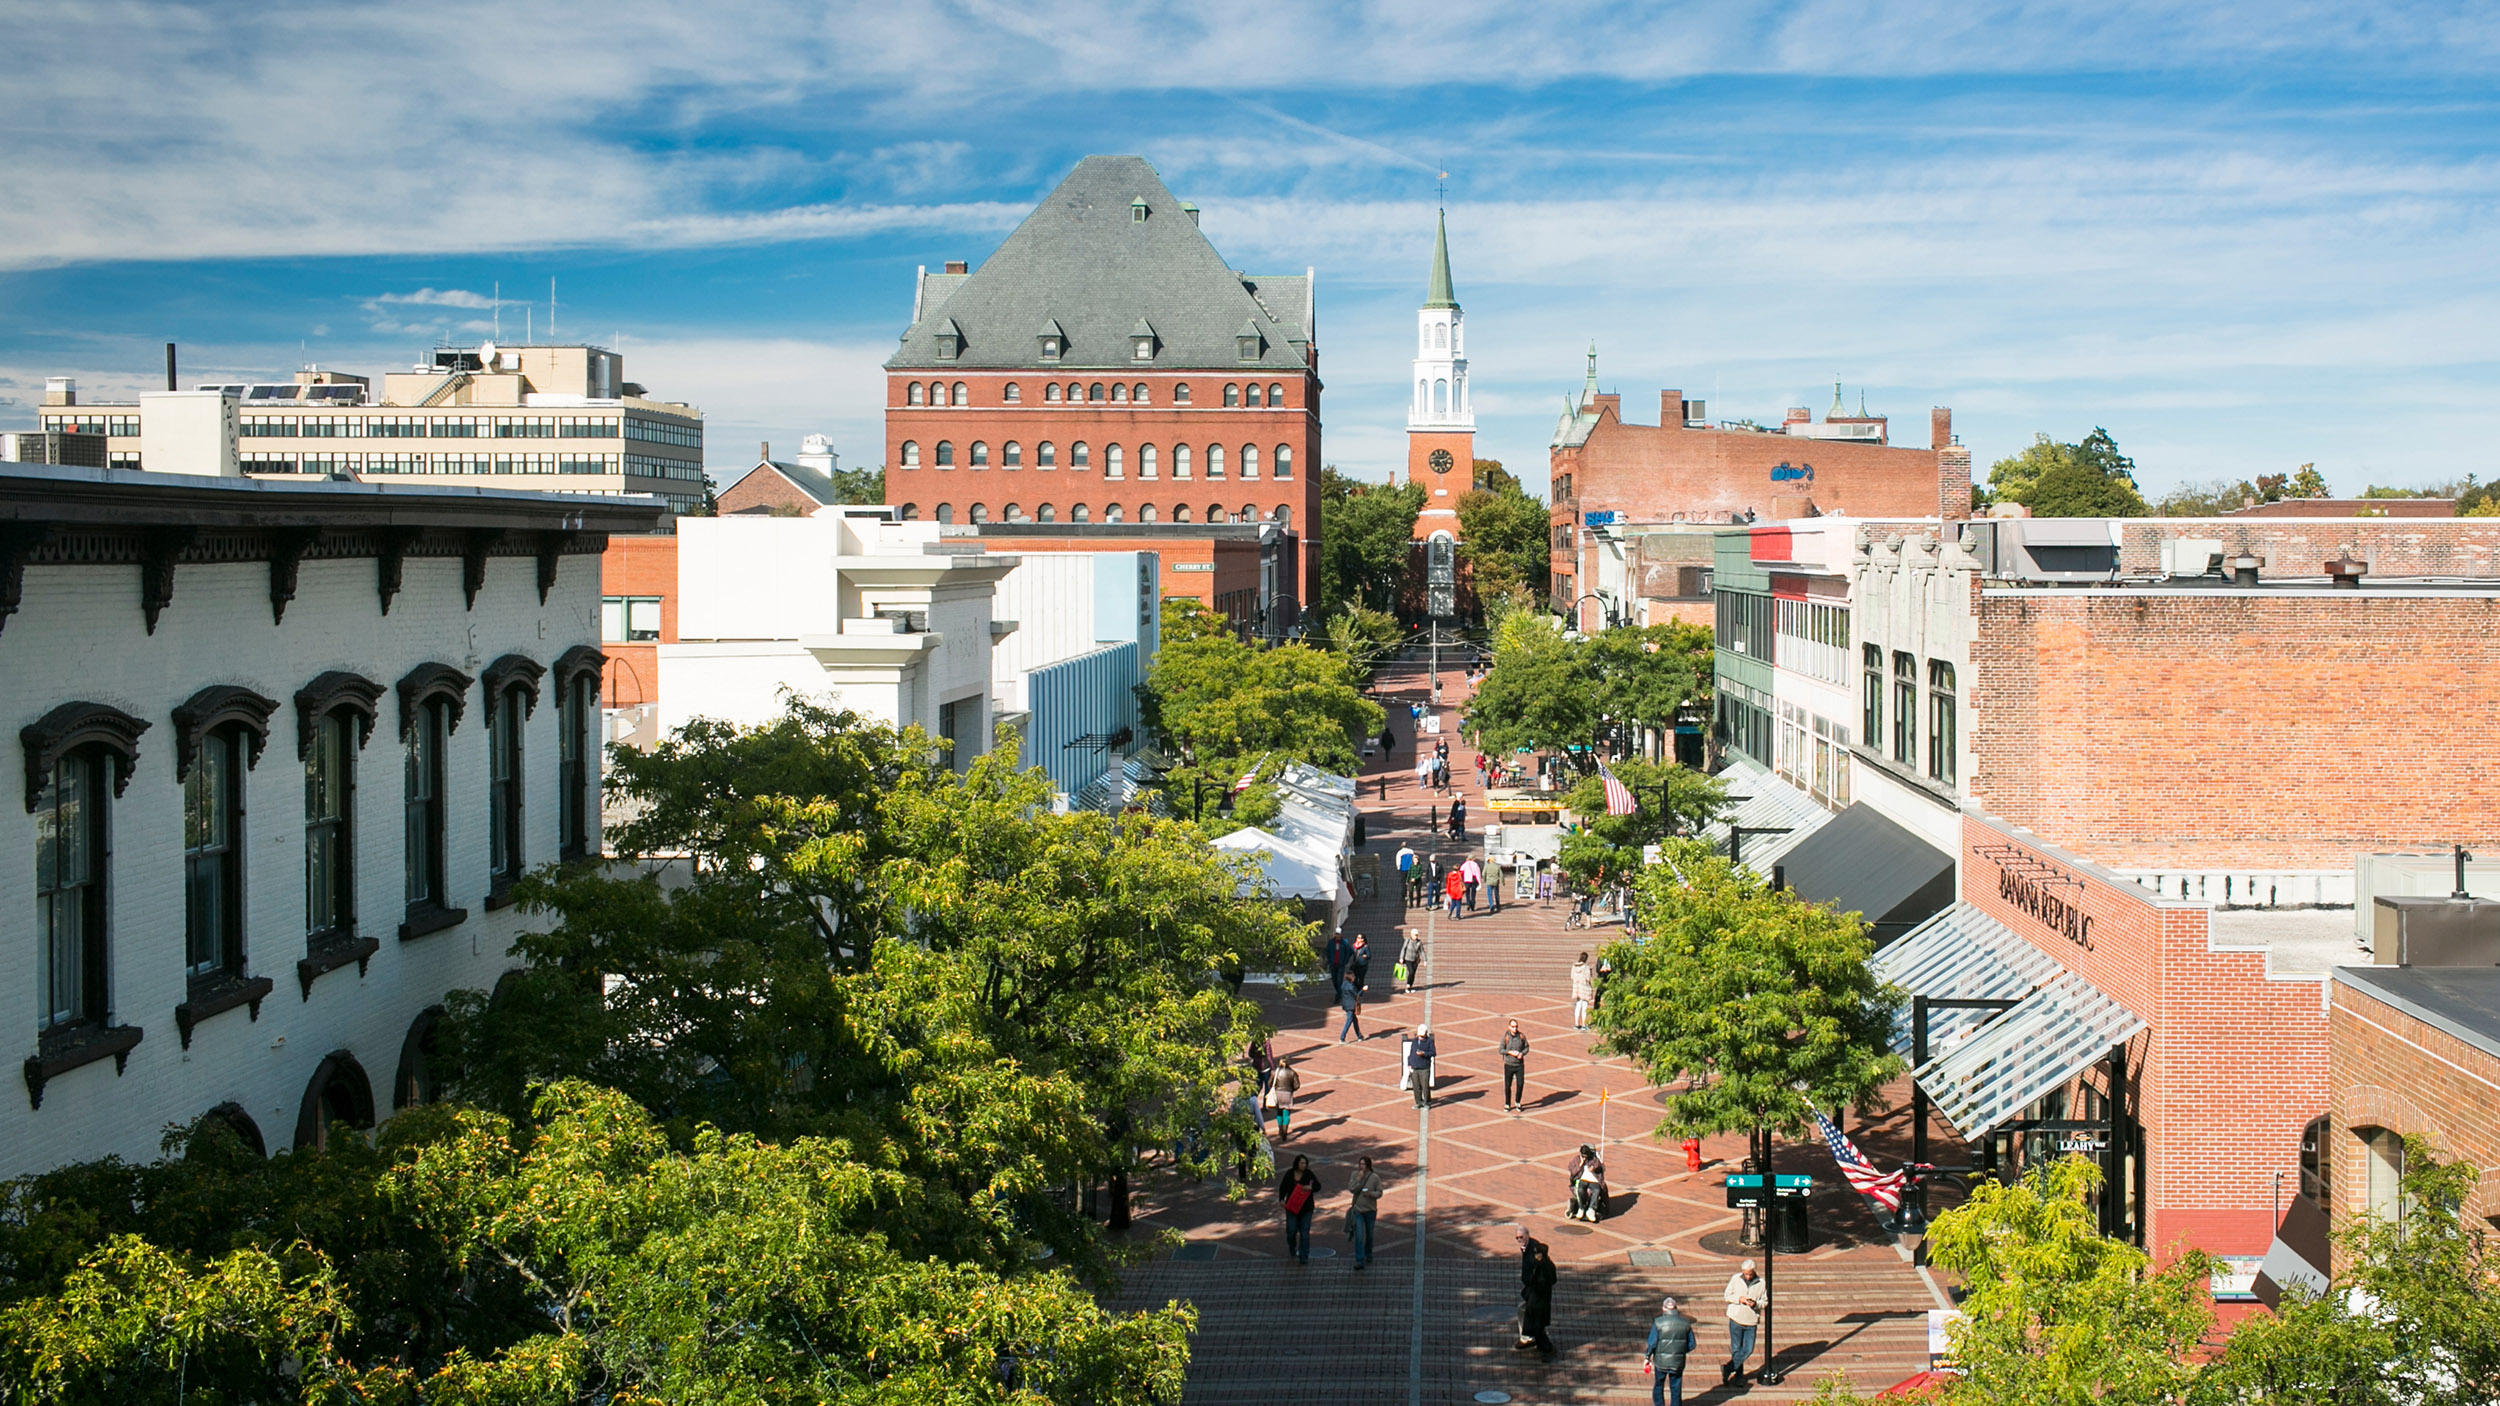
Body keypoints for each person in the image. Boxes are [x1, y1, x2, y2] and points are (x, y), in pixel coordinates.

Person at [1644, 1295, 1700, 1406]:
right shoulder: (1686, 1323)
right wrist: (1680, 1352)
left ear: (1663, 1308)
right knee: (1675, 1387)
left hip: (1661, 1362)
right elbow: (1692, 1344)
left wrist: (1647, 1357)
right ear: (1676, 1309)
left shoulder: (1658, 1322)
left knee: (1659, 1385)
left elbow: (1652, 1343)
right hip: (1678, 1363)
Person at [1723, 1259, 1768, 1386]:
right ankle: (1738, 1376)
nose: (1748, 1276)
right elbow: (1727, 1295)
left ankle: (1728, 1368)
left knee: (1748, 1349)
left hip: (1751, 1320)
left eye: (1750, 1273)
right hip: (1736, 1318)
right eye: (1746, 1273)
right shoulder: (1735, 1279)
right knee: (1736, 1349)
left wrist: (1756, 1304)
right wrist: (1740, 1299)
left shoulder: (1761, 1283)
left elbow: (1765, 1301)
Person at [1514, 1227, 1558, 1357]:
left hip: (1538, 1299)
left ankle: (1546, 1348)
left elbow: (1543, 1281)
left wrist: (1532, 1285)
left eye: (1521, 1237)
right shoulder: (1542, 1262)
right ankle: (1538, 1343)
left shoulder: (1542, 1265)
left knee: (1536, 1325)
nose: (1519, 1240)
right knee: (1535, 1323)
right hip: (1536, 1298)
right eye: (1517, 1238)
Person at [1278, 1154, 1323, 1264]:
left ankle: (1304, 1255)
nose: (1304, 1165)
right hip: (1292, 1207)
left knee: (1304, 1232)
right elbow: (1282, 1187)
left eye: (1305, 1163)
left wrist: (1311, 1187)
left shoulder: (1308, 1174)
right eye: (1302, 1163)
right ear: (1297, 1163)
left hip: (1306, 1208)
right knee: (1291, 1231)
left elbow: (1318, 1186)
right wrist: (1281, 1199)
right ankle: (1292, 1247)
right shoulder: (1289, 1174)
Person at [1346, 1155, 1385, 1269]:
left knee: (1370, 1235)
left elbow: (1380, 1192)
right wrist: (1358, 1179)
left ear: (1368, 1166)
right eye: (1360, 1164)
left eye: (1363, 1164)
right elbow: (1351, 1189)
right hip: (1358, 1210)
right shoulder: (1355, 1175)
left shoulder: (1374, 1177)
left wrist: (1371, 1194)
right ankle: (1359, 1260)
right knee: (1359, 1236)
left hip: (1370, 1210)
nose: (1361, 1166)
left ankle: (1368, 1253)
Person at [1567, 1144, 1609, 1221]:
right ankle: (1581, 1207)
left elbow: (1599, 1165)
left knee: (1596, 1190)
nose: (1585, 1158)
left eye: (1586, 1156)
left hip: (1593, 1180)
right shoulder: (1576, 1160)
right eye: (1583, 1156)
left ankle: (1591, 1209)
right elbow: (1572, 1171)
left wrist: (1593, 1167)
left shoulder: (1593, 1159)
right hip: (1582, 1179)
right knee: (1580, 1189)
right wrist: (1580, 1165)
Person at [1266, 1056, 1301, 1140]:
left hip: (1278, 1094)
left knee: (1279, 1113)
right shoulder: (1292, 1073)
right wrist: (1291, 1089)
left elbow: (1269, 1083)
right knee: (1286, 1113)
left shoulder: (1275, 1072)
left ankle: (1280, 1129)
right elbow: (1297, 1085)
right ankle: (1285, 1131)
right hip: (1288, 1094)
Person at [1499, 1018, 1529, 1111]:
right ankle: (1507, 1103)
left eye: (1516, 1026)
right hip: (1509, 1064)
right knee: (1508, 1085)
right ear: (1509, 1027)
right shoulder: (1506, 1037)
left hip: (1519, 1065)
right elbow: (1500, 1050)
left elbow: (1527, 1047)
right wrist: (1510, 1052)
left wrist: (1522, 1053)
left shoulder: (1521, 1036)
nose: (1515, 1028)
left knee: (1520, 1083)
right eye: (1512, 1027)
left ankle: (1517, 1102)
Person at [1408, 1023, 1438, 1108]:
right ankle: (1418, 1102)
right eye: (1419, 1035)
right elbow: (1411, 1053)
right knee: (1416, 1086)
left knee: (1425, 1086)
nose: (1420, 1037)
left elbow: (1433, 1053)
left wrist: (1424, 1054)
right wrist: (1409, 1063)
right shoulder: (1414, 1041)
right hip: (1414, 1067)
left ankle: (1427, 1102)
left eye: (1422, 1036)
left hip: (1424, 1067)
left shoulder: (1429, 1042)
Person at [1570, 953, 1595, 1030]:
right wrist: (1590, 971)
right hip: (1584, 988)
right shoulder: (1586, 967)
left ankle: (1576, 1023)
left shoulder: (1574, 966)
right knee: (1584, 1006)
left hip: (1577, 988)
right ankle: (1584, 1024)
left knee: (1578, 1005)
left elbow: (1572, 976)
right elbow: (1588, 978)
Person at [1324, 932, 1351, 1001]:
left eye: (1338, 934)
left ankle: (1338, 996)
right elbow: (1327, 952)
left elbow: (1348, 952)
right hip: (1333, 964)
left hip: (1340, 964)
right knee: (1334, 980)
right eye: (1336, 934)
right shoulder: (1331, 942)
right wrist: (1329, 961)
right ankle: (1339, 992)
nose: (1337, 936)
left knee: (1339, 980)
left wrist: (1345, 961)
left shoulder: (1344, 942)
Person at [1397, 927, 1424, 994]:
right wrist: (1401, 958)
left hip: (1415, 960)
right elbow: (1403, 949)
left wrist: (1425, 960)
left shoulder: (1419, 942)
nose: (1416, 936)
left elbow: (1422, 951)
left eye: (1417, 935)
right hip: (1408, 959)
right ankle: (1408, 985)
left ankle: (1410, 987)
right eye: (1415, 935)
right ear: (1411, 935)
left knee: (1413, 974)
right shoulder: (1407, 940)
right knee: (1411, 972)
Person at [1338, 977, 1365, 1043]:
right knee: (1349, 1021)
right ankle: (1342, 1038)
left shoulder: (1344, 984)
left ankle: (1359, 1036)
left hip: (1345, 1005)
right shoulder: (1351, 986)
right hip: (1351, 1006)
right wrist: (1363, 990)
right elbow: (1357, 995)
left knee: (1355, 1020)